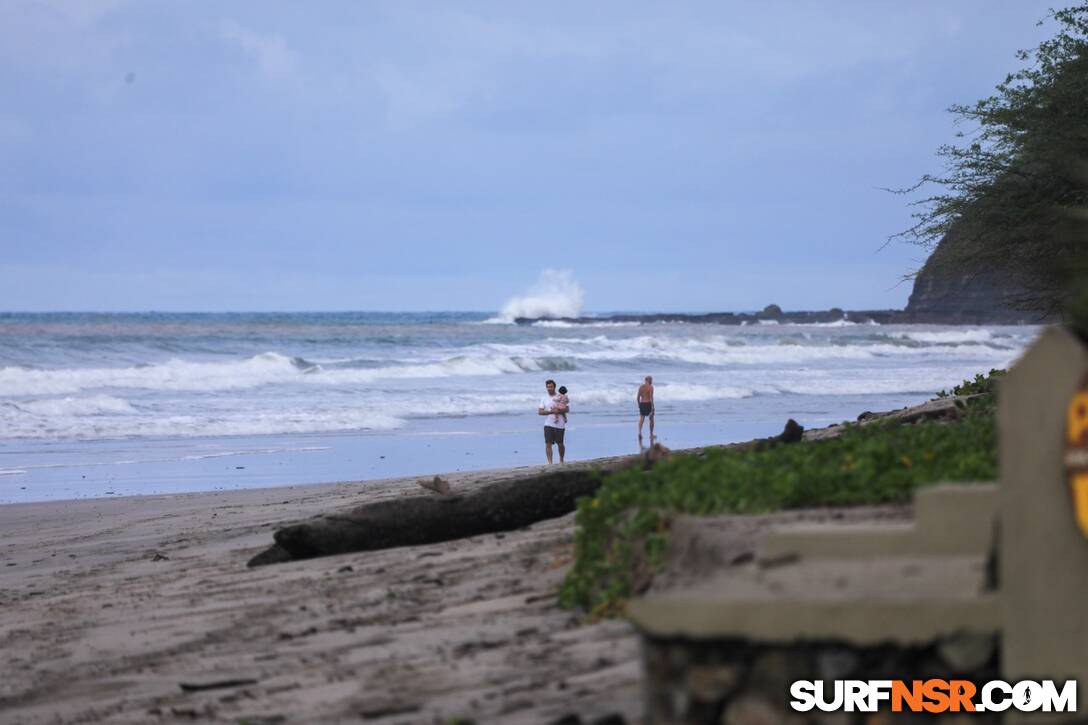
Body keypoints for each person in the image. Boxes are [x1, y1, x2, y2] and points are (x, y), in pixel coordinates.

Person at [538, 379, 568, 463]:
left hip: (560, 424)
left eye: (551, 387)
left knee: (560, 443)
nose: (549, 388)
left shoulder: (560, 396)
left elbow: (567, 408)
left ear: (554, 387)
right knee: (548, 444)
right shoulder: (544, 398)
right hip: (548, 424)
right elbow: (540, 412)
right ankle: (550, 462)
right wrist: (551, 411)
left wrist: (559, 410)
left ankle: (561, 460)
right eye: (547, 387)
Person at [637, 375, 655, 439]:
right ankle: (651, 434)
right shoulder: (650, 387)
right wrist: (653, 406)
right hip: (648, 404)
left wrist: (639, 404)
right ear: (647, 380)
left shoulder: (641, 387)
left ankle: (640, 433)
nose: (652, 381)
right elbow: (651, 397)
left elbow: (638, 397)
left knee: (642, 418)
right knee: (651, 419)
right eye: (651, 380)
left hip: (642, 404)